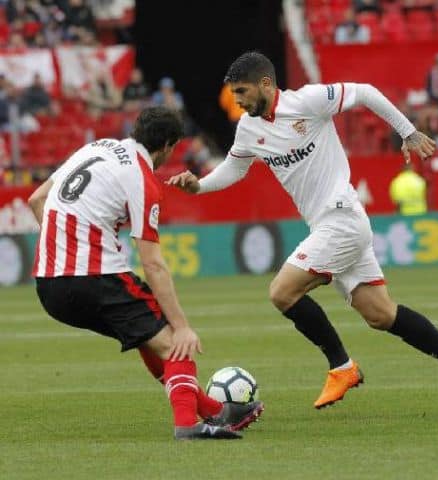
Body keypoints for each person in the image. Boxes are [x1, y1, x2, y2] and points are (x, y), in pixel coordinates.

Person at [168, 52, 438, 414]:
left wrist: (408, 132)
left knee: (282, 292)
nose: (238, 101)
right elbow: (234, 168)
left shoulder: (307, 101)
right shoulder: (248, 128)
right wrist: (200, 186)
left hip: (342, 217)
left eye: (242, 91)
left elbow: (365, 92)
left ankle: (341, 366)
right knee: (380, 314)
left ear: (266, 85)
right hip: (329, 225)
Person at [27, 106, 264, 440]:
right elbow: (152, 262)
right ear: (168, 146)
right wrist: (182, 326)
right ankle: (188, 425)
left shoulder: (94, 148)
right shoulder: (142, 178)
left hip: (48, 286)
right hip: (94, 277)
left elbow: (37, 198)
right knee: (173, 342)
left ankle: (214, 410)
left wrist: (65, 250)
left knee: (148, 335)